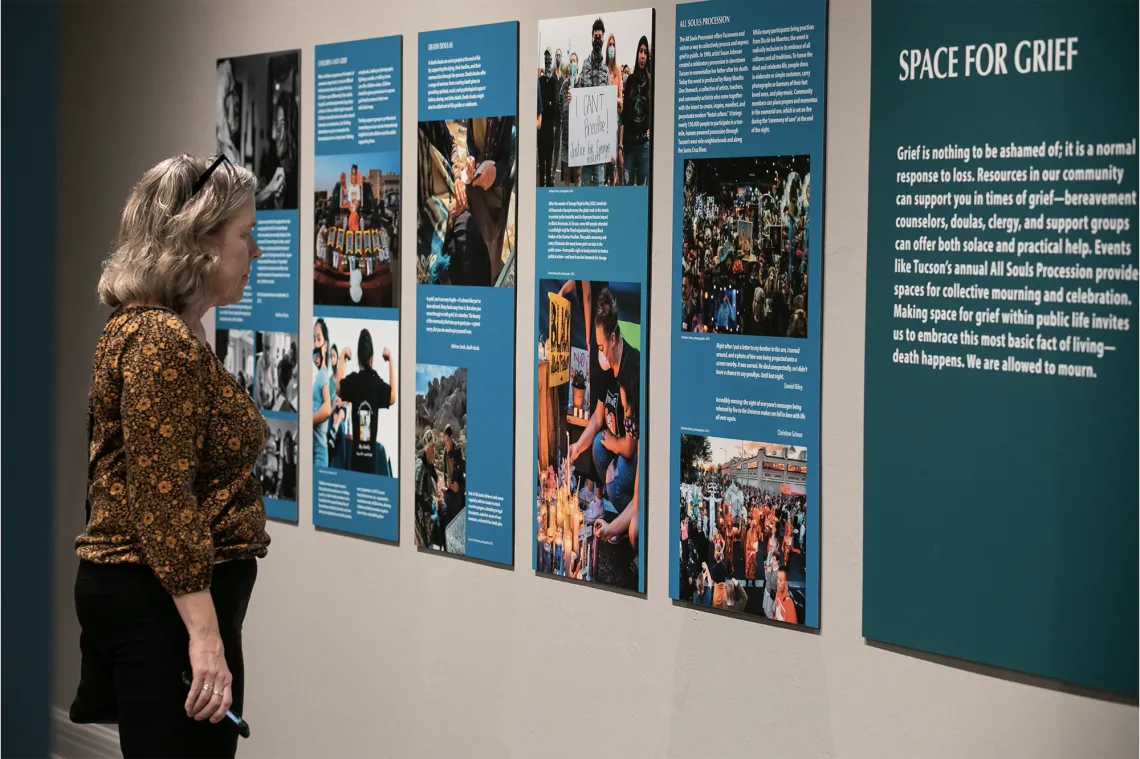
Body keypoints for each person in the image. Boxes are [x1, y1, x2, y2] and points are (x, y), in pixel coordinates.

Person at [71, 154, 269, 758]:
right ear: (200, 243)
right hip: (167, 610)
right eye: (245, 235)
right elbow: (163, 500)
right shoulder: (160, 342)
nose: (255, 252)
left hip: (162, 603)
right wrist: (205, 641)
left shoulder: (164, 331)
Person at [566, 288, 640, 552]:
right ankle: (619, 509)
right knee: (595, 443)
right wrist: (577, 448)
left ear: (614, 337)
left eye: (601, 347)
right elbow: (598, 418)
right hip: (617, 444)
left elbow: (632, 446)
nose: (599, 354)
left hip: (633, 451)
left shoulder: (630, 375)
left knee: (612, 479)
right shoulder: (604, 366)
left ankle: (623, 521)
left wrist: (612, 445)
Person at [334, 328, 396, 475]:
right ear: (372, 359)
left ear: (358, 358)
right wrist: (390, 359)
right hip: (371, 463)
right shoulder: (376, 383)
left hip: (355, 461)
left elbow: (338, 387)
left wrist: (343, 355)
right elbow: (393, 396)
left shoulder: (354, 381)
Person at [572, 18, 612, 186]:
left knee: (600, 184)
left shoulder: (605, 71)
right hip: (586, 137)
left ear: (603, 40)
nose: (597, 39)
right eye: (595, 36)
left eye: (600, 36)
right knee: (586, 183)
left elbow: (609, 109)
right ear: (591, 38)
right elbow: (578, 99)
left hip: (600, 139)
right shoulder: (585, 67)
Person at [621, 36, 652, 186]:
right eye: (640, 51)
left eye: (645, 52)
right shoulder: (630, 80)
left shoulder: (651, 82)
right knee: (627, 191)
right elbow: (625, 116)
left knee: (642, 193)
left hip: (644, 146)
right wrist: (621, 146)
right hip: (629, 145)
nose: (642, 56)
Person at [311, 319, 333, 469]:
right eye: (313, 339)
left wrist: (305, 422)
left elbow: (327, 409)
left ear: (325, 345)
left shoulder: (323, 374)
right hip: (313, 452)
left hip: (319, 455)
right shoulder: (319, 374)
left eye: (318, 339)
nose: (315, 344)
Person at [538, 48, 559, 187]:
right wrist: (547, 103)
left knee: (549, 159)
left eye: (549, 59)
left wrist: (546, 104)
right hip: (541, 126)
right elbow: (540, 102)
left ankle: (548, 188)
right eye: (545, 58)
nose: (547, 61)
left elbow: (555, 104)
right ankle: (541, 187)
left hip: (550, 126)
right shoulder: (540, 80)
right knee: (541, 161)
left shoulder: (553, 82)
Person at [442, 424, 466, 519]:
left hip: (457, 497)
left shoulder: (458, 452)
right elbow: (445, 472)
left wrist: (459, 487)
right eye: (444, 441)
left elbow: (464, 476)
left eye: (447, 440)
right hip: (448, 495)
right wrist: (446, 481)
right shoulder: (445, 453)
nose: (446, 444)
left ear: (451, 438)